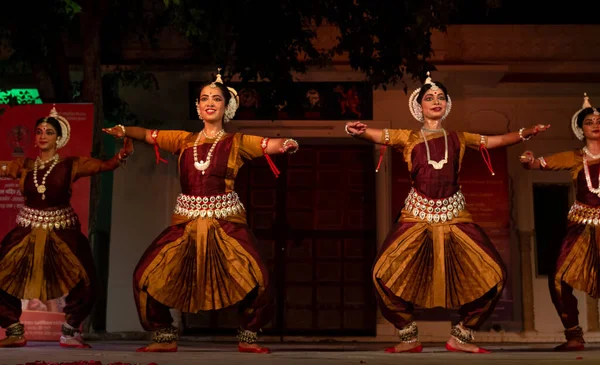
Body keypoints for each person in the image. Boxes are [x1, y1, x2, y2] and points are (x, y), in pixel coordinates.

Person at [345, 72, 550, 354]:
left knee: (495, 274)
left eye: (441, 97)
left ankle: (462, 334)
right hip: (416, 215)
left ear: (447, 104)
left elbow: (494, 141)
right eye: (429, 98)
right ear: (419, 107)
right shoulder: (409, 138)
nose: (436, 101)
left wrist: (525, 133)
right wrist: (357, 130)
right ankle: (407, 335)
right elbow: (379, 134)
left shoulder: (459, 138)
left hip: (455, 215)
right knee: (382, 273)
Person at [103, 70, 299, 353]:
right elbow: (147, 134)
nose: (209, 102)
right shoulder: (183, 140)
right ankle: (163, 334)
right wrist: (124, 131)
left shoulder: (237, 143)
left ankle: (248, 334)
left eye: (216, 99)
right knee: (144, 275)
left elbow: (269, 144)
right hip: (186, 223)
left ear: (226, 107)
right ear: (198, 106)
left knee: (259, 277)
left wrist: (288, 145)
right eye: (204, 98)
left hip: (226, 222)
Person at [0, 106, 133, 348]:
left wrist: (119, 157)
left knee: (87, 281)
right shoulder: (24, 165)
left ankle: (70, 331)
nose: (42, 136)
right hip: (27, 229)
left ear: (59, 138)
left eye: (49, 132)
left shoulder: (71, 164)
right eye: (39, 131)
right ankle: (13, 329)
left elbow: (103, 166)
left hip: (62, 230)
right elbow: (2, 167)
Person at [520, 93, 599, 352]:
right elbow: (537, 165)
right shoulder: (575, 157)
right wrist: (529, 160)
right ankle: (574, 335)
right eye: (590, 122)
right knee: (558, 278)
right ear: (581, 129)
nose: (596, 124)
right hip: (582, 225)